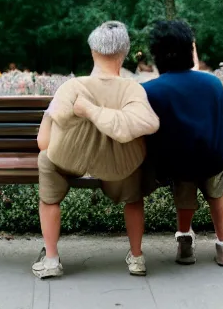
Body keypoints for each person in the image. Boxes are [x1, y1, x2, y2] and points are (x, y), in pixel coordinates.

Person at [81, 21, 223, 267]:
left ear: (157, 56)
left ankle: (185, 241)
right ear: (190, 52)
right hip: (213, 158)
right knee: (218, 194)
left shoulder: (151, 90)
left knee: (184, 195)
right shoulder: (212, 84)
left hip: (176, 165)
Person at [32, 21, 159, 279]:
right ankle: (136, 257)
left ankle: (52, 259)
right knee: (134, 184)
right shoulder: (133, 89)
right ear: (123, 53)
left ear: (92, 51)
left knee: (46, 161)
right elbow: (148, 124)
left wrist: (88, 113)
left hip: (72, 162)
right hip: (119, 168)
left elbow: (43, 141)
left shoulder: (71, 88)